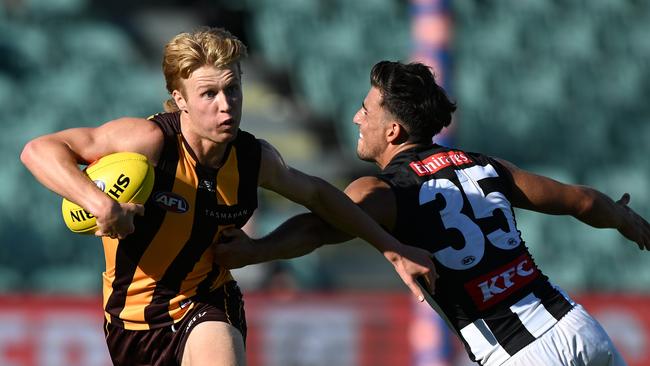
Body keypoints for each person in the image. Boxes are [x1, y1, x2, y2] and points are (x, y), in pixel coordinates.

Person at [19, 29, 437, 366]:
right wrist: (101, 205)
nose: (227, 106)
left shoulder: (255, 158)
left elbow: (319, 196)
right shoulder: (147, 141)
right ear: (180, 99)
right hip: (129, 323)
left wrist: (391, 248)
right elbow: (38, 150)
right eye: (208, 94)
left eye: (233, 89)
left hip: (206, 303)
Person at [214, 60, 650, 366]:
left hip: (519, 353)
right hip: (578, 326)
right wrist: (626, 220)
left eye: (365, 110)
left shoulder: (385, 189)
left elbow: (315, 229)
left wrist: (254, 251)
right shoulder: (482, 165)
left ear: (392, 130)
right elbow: (583, 201)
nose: (355, 117)